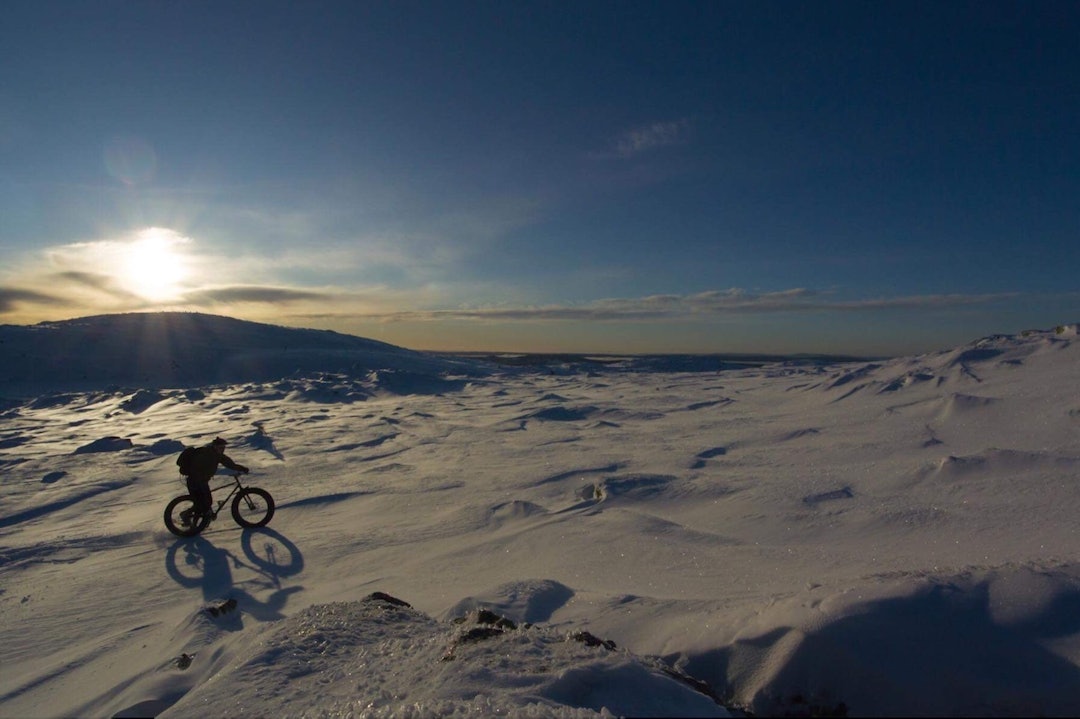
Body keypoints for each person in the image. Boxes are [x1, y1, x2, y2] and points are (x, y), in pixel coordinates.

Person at [182, 437, 249, 524]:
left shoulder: (217, 456)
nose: (222, 449)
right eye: (221, 447)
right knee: (205, 502)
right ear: (215, 447)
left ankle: (195, 524)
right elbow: (196, 467)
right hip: (195, 481)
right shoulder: (206, 454)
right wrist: (201, 477)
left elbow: (229, 464)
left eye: (223, 447)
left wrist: (241, 468)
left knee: (201, 503)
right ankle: (189, 518)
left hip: (201, 481)